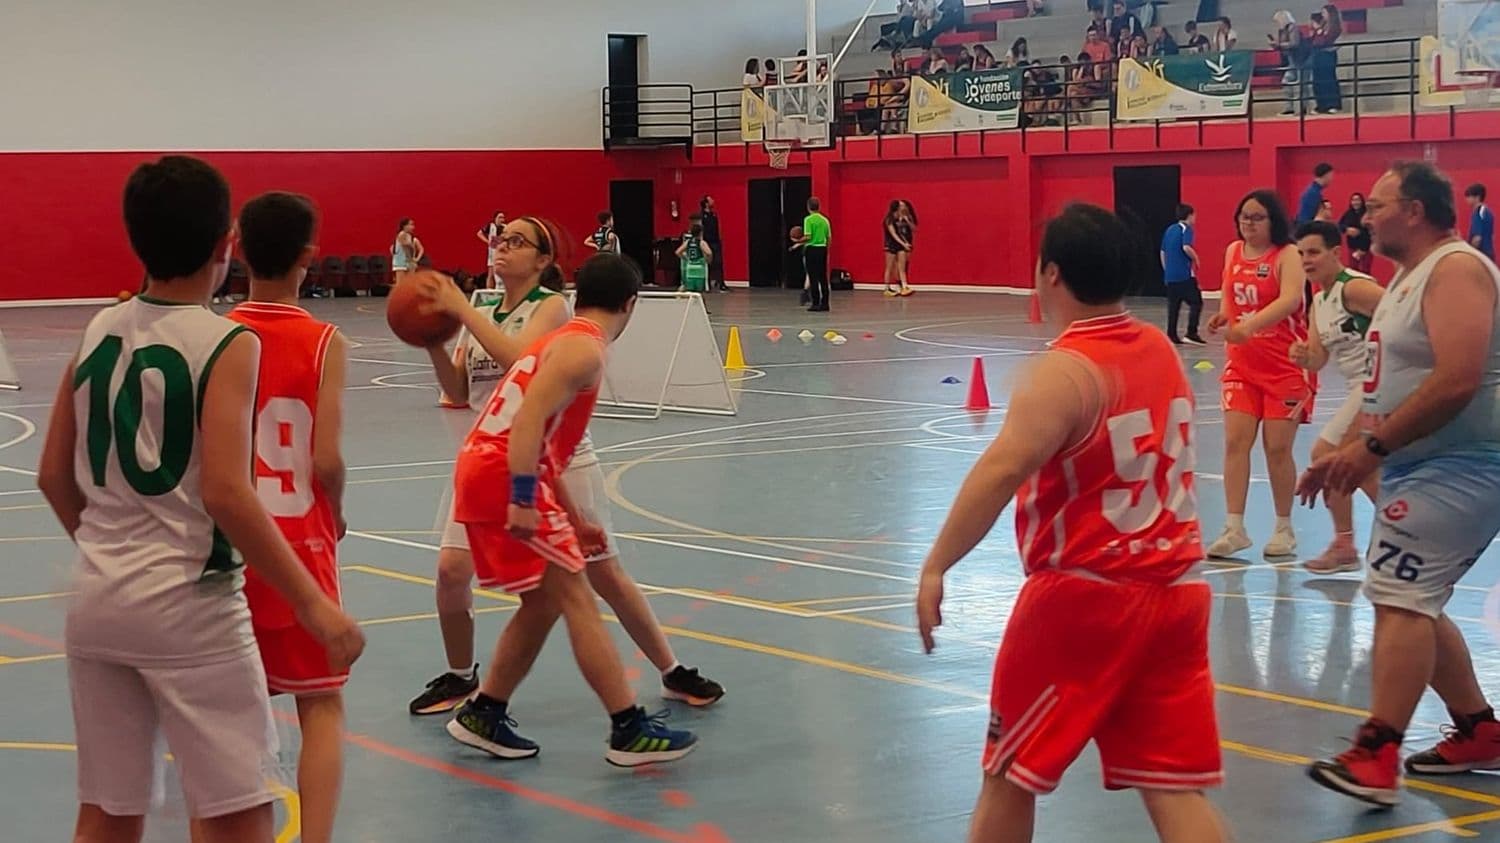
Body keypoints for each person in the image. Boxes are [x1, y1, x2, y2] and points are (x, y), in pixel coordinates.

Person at [35, 155, 364, 843]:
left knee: (107, 813)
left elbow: (52, 477)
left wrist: (110, 554)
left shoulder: (97, 328)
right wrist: (313, 604)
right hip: (191, 606)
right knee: (237, 815)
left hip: (97, 600)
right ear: (225, 244)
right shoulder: (225, 341)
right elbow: (226, 491)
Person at [917, 204, 1229, 843]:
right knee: (1174, 790)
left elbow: (1000, 471)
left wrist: (936, 564)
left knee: (1008, 775)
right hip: (1177, 593)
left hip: (1087, 599)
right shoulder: (1157, 349)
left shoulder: (1065, 371)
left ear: (1051, 273)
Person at [408, 217, 724, 717]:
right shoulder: (484, 309)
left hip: (559, 456)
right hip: (496, 452)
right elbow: (459, 391)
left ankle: (670, 669)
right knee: (453, 571)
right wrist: (433, 344)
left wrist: (462, 310)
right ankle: (462, 676)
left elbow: (517, 362)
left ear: (543, 260)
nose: (503, 247)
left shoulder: (552, 307)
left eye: (517, 241)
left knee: (600, 572)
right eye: (501, 239)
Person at [445, 253, 700, 766]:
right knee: (578, 597)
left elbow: (543, 438)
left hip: (487, 468)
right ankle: (627, 727)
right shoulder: (584, 350)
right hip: (503, 472)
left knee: (544, 603)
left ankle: (485, 710)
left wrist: (576, 517)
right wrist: (522, 497)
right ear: (630, 304)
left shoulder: (563, 341)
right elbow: (526, 424)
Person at [1301, 161, 1500, 806]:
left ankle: (1376, 753)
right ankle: (1479, 730)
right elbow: (1387, 383)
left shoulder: (1456, 269)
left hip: (1469, 463)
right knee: (1413, 596)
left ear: (1414, 211)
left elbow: (1458, 378)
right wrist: (1347, 449)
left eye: (1378, 206)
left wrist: (1372, 448)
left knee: (1397, 592)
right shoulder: (1408, 278)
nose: (1365, 218)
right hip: (1424, 463)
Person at [226, 192, 352, 843]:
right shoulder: (325, 341)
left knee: (231, 714)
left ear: (239, 250)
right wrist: (340, 510)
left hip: (232, 547)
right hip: (301, 542)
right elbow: (325, 459)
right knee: (321, 703)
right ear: (310, 255)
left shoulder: (219, 336)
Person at [1206, 189, 1311, 560]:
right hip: (1242, 365)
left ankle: (1284, 528)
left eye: (1257, 217)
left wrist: (1249, 326)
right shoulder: (1233, 251)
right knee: (1236, 441)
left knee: (1277, 448)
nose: (1248, 223)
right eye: (1244, 216)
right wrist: (1225, 315)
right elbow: (1229, 291)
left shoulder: (1288, 255)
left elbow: (1290, 300)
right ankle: (1234, 527)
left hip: (1285, 366)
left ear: (1273, 221)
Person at [1287, 220, 1383, 574]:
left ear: (1335, 252)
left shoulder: (1355, 288)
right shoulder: (1319, 302)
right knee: (1362, 469)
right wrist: (1303, 356)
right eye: (1301, 254)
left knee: (1325, 454)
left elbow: (1405, 316)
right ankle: (1399, 532)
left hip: (1381, 383)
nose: (1306, 260)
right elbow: (1318, 358)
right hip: (1361, 387)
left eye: (1313, 252)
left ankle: (1346, 543)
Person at [1161, 204, 1205, 345]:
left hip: (1170, 276)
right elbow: (1186, 247)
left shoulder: (1169, 229)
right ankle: (1191, 333)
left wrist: (1167, 270)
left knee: (1174, 306)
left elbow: (1163, 252)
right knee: (1196, 302)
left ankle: (1171, 334)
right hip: (1184, 275)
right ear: (1189, 215)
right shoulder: (1186, 229)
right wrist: (1196, 258)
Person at [883, 199, 917, 297]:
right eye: (901, 206)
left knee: (902, 266)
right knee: (889, 267)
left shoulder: (901, 218)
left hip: (900, 245)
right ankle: (887, 288)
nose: (903, 207)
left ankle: (904, 286)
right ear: (897, 208)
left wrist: (905, 243)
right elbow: (893, 234)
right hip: (890, 245)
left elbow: (902, 233)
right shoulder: (889, 219)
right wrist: (903, 244)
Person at [803, 197, 832, 312]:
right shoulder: (825, 220)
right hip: (822, 249)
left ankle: (815, 303)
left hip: (811, 249)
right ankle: (825, 303)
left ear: (808, 207)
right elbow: (829, 238)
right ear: (819, 207)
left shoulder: (808, 220)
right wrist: (826, 250)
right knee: (823, 277)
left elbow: (808, 236)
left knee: (813, 277)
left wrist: (798, 240)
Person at [677, 219, 713, 294]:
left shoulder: (688, 242)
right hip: (699, 270)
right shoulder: (701, 243)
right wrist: (708, 260)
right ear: (701, 233)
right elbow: (709, 253)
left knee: (690, 293)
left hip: (690, 269)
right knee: (698, 293)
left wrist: (685, 258)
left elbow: (678, 252)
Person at [1341, 193, 1373, 274]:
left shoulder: (1367, 214)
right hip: (1352, 247)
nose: (1355, 202)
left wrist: (1363, 249)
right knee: (1353, 271)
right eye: (1353, 200)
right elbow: (1339, 225)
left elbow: (1371, 230)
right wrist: (1346, 229)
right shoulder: (1348, 213)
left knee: (1365, 271)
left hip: (1366, 247)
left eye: (1357, 200)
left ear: (1362, 201)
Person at [701, 196, 727, 291]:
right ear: (706, 203)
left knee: (719, 263)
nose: (713, 201)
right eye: (711, 200)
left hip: (716, 242)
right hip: (707, 242)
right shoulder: (702, 216)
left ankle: (721, 284)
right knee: (708, 264)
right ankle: (707, 284)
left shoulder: (714, 215)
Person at [477, 211, 506, 289]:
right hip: (492, 252)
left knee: (499, 273)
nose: (502, 219)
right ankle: (489, 291)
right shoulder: (490, 226)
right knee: (491, 274)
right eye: (500, 217)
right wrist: (488, 241)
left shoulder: (505, 227)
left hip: (501, 252)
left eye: (503, 218)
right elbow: (479, 233)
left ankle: (499, 289)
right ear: (495, 218)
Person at [1466, 183, 1494, 261]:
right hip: (1488, 253)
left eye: (1469, 196)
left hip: (1481, 255)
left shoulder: (1478, 212)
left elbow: (1477, 238)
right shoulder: (1488, 212)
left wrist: (1470, 253)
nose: (1467, 199)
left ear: (1477, 197)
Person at [393, 217, 423, 283]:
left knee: (410, 283)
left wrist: (415, 260)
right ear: (404, 226)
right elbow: (407, 248)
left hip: (408, 262)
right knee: (401, 284)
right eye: (411, 225)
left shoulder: (409, 236)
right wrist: (412, 261)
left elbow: (419, 249)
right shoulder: (402, 234)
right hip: (401, 263)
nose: (413, 227)